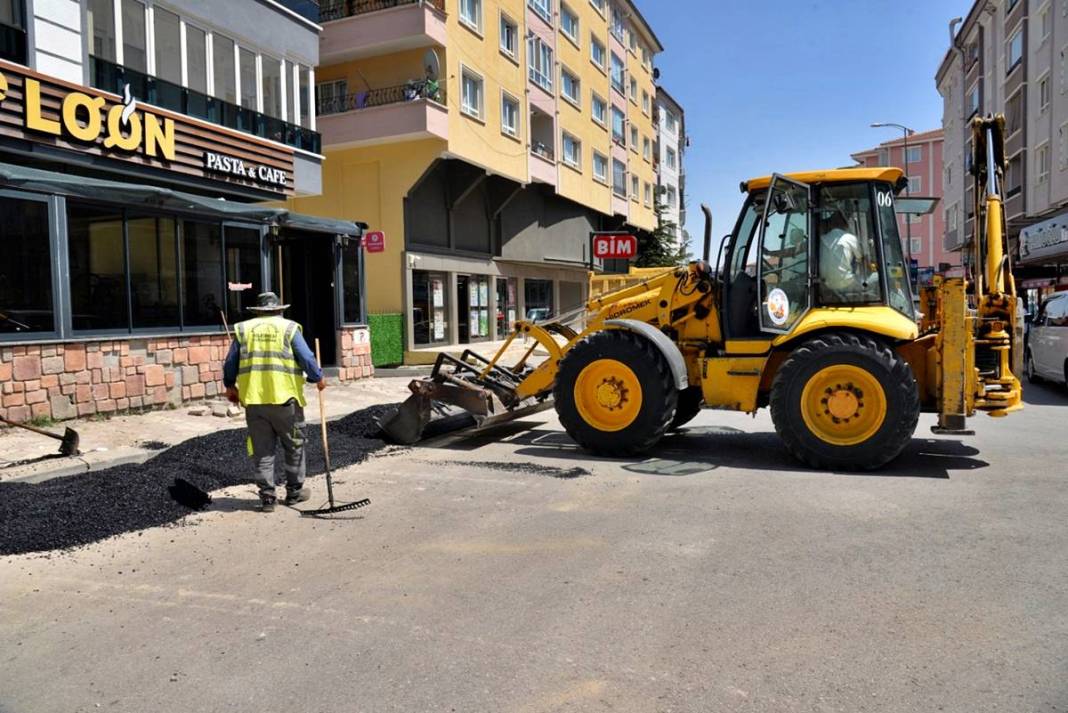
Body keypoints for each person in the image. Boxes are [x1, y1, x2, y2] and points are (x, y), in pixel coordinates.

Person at [222, 292, 325, 512]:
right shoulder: (289, 328)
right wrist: (317, 377)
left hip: (254, 401)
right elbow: (306, 358)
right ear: (279, 309)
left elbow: (230, 362)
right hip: (286, 401)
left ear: (257, 310)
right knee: (294, 446)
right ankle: (294, 492)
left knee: (262, 450)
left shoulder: (244, 330)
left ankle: (267, 498)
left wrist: (230, 386)